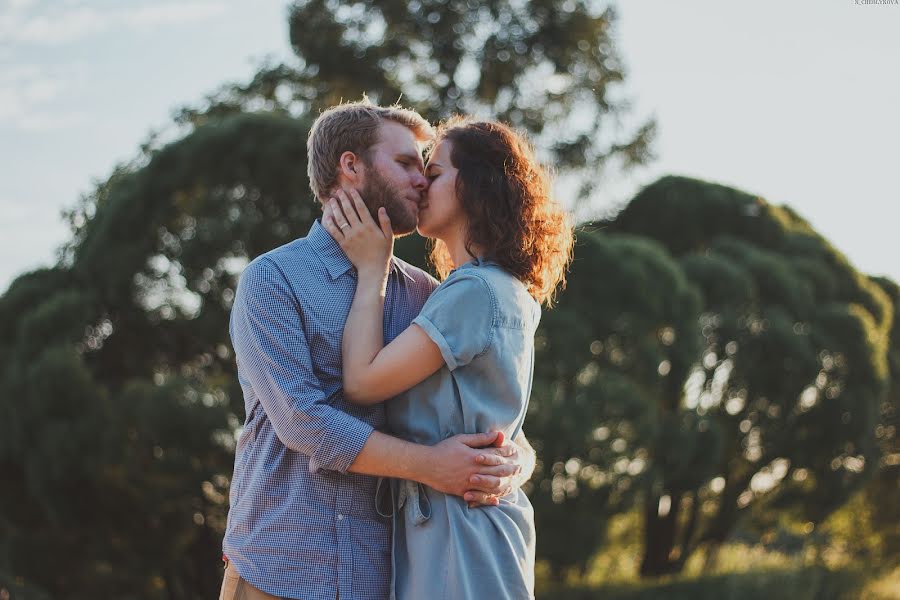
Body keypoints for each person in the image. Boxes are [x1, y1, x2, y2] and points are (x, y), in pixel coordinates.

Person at [220, 101, 534, 600]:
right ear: (351, 165)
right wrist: (432, 465)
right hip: (277, 567)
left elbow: (481, 413)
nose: (421, 181)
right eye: (407, 164)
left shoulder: (426, 296)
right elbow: (303, 421)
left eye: (428, 168)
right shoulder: (273, 279)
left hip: (381, 577)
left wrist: (511, 462)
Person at [322, 117, 574, 599]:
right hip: (461, 524)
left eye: (434, 173)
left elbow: (362, 382)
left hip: (461, 530)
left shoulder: (474, 291)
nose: (420, 183)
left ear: (475, 185)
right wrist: (520, 458)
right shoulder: (491, 287)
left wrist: (373, 266)